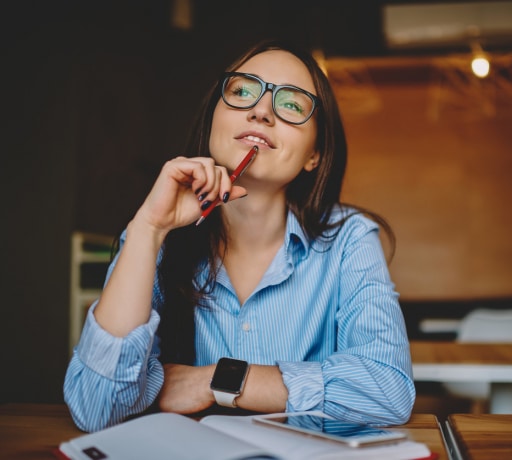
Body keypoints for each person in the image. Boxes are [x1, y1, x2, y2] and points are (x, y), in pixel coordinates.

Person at [64, 39, 415, 432]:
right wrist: (148, 229)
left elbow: (387, 390)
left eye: (292, 104)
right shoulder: (157, 231)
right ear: (213, 120)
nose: (261, 110)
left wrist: (217, 380)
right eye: (243, 91)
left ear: (314, 155)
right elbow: (95, 407)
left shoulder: (349, 239)